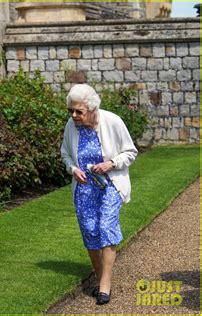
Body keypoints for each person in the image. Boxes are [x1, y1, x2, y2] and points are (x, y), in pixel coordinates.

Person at [60, 84, 138, 305]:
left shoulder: (112, 121)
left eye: (79, 111)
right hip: (84, 188)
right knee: (90, 231)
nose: (74, 115)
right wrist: (73, 169)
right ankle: (99, 274)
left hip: (110, 185)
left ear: (92, 109)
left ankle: (105, 284)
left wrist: (111, 163)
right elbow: (65, 153)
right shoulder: (71, 126)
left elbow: (130, 152)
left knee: (106, 226)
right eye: (71, 111)